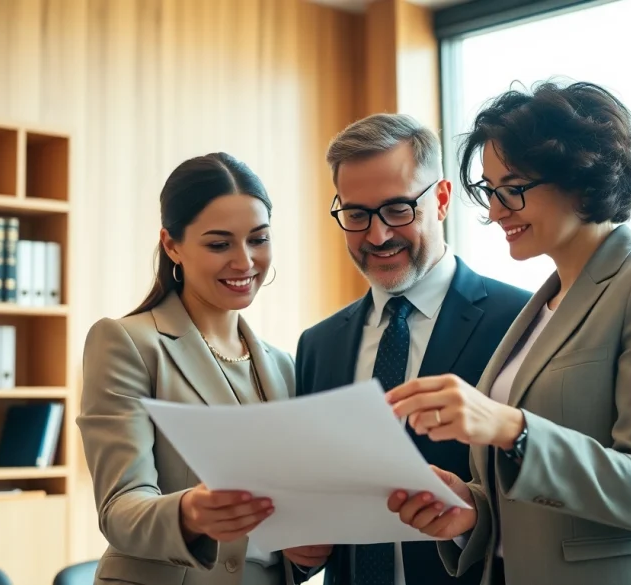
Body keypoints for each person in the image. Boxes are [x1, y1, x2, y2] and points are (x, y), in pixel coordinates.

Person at [384, 81, 631, 585]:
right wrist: (473, 512)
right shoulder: (538, 309)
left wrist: (510, 428)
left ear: (579, 177)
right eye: (489, 191)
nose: (496, 211)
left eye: (513, 188)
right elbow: (545, 496)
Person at [287, 113, 532, 585]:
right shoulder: (318, 345)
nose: (377, 236)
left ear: (440, 200)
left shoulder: (521, 322)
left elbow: (545, 499)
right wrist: (303, 553)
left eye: (398, 209)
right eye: (356, 215)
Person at [77, 153, 300, 585]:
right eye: (219, 244)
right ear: (172, 244)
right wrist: (189, 513)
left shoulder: (285, 367)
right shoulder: (127, 343)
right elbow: (119, 508)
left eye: (258, 239)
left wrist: (308, 551)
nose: (244, 261)